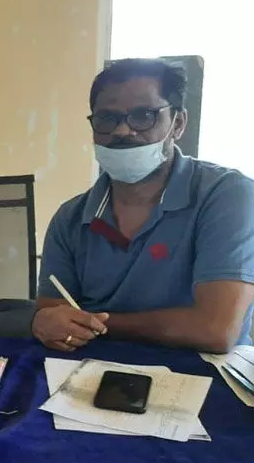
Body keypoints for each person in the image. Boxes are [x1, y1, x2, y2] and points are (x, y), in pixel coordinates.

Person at [34, 58, 254, 353]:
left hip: (203, 380)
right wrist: (44, 323)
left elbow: (216, 331)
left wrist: (99, 325)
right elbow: (52, 312)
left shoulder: (227, 196)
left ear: (178, 124)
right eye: (106, 118)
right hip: (86, 378)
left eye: (143, 116)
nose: (123, 131)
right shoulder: (70, 218)